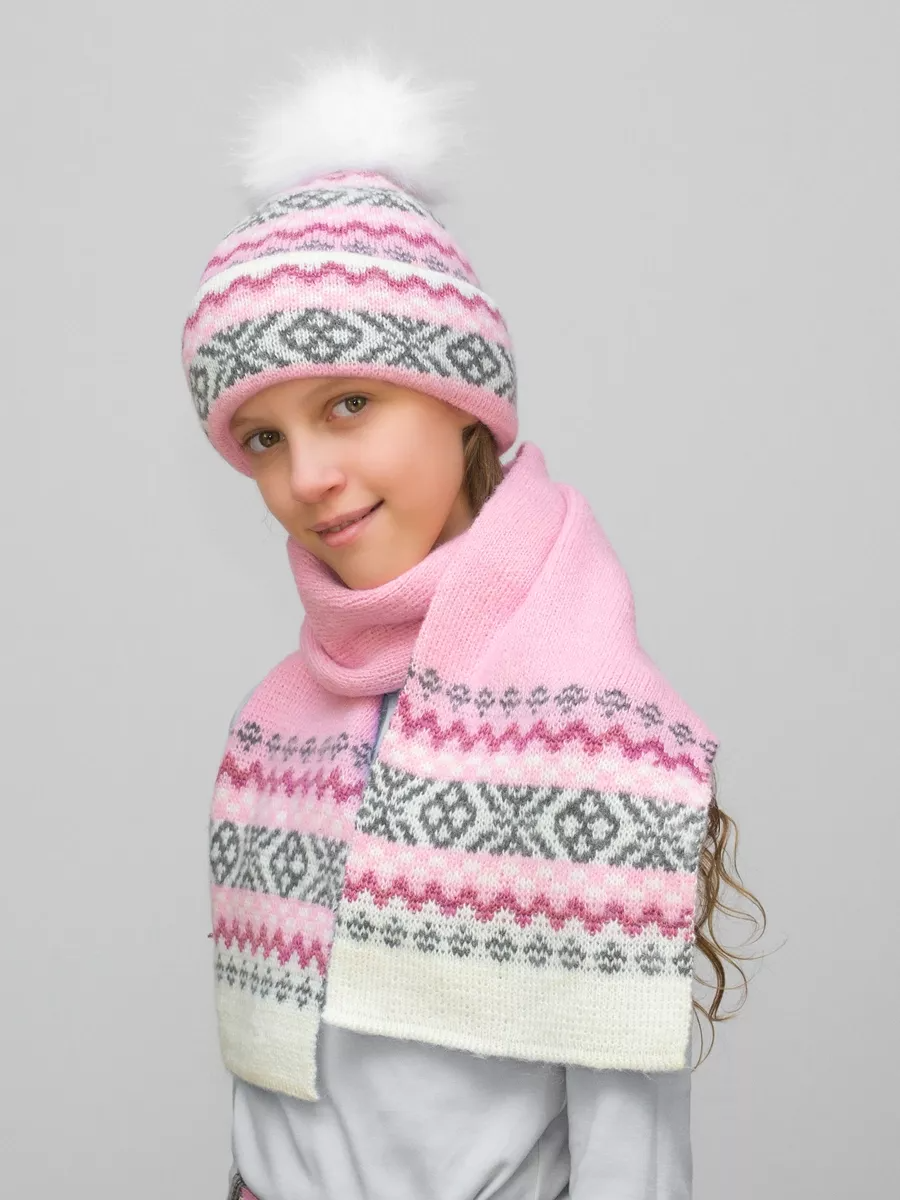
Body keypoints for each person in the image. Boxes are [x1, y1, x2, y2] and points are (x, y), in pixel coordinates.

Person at [181, 55, 762, 1200]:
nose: (307, 477)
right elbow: (275, 1098)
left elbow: (631, 1144)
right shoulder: (275, 728)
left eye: (350, 403)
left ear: (461, 403)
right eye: (265, 439)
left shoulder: (599, 734)